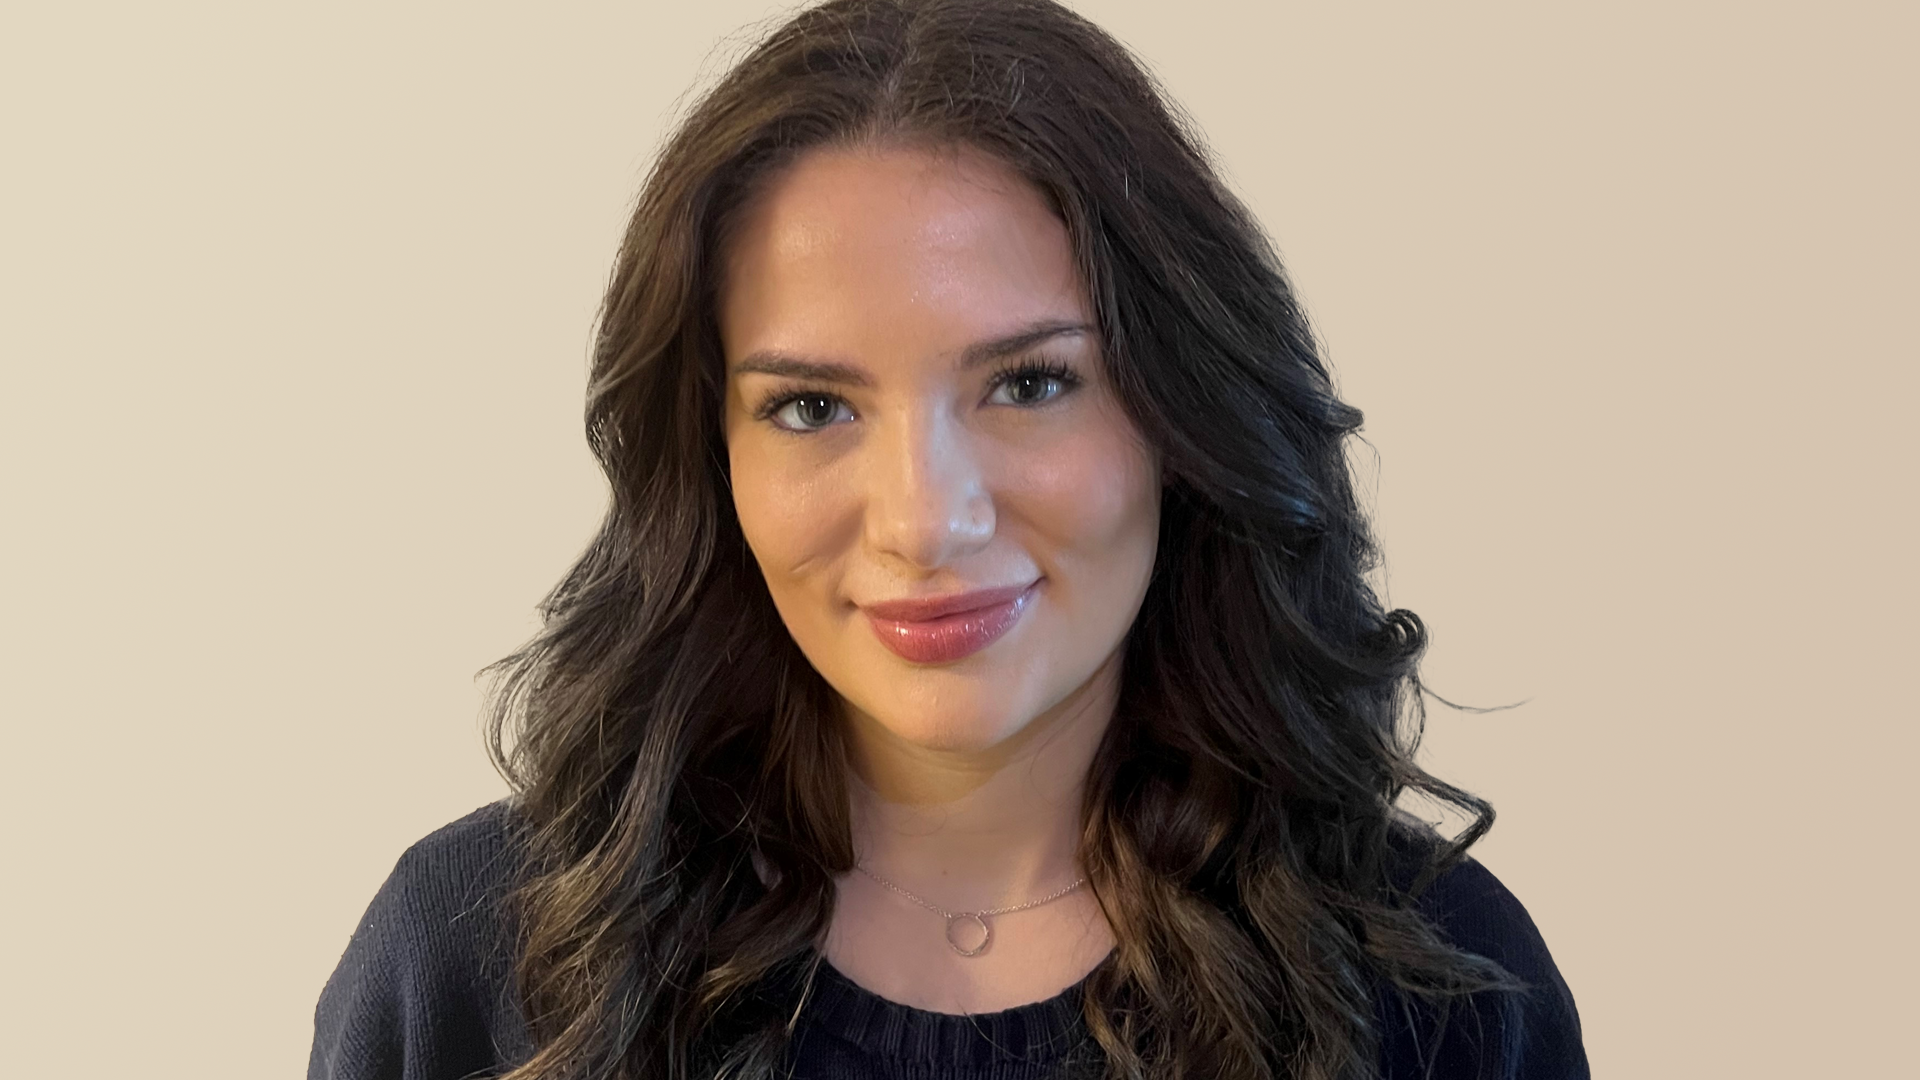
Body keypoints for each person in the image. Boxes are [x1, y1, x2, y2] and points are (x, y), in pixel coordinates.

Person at [309, 1, 1588, 1077]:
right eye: (812, 407)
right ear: (712, 459)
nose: (926, 518)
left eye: (1028, 385)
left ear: (1182, 410)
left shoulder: (1444, 997)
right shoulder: (474, 967)